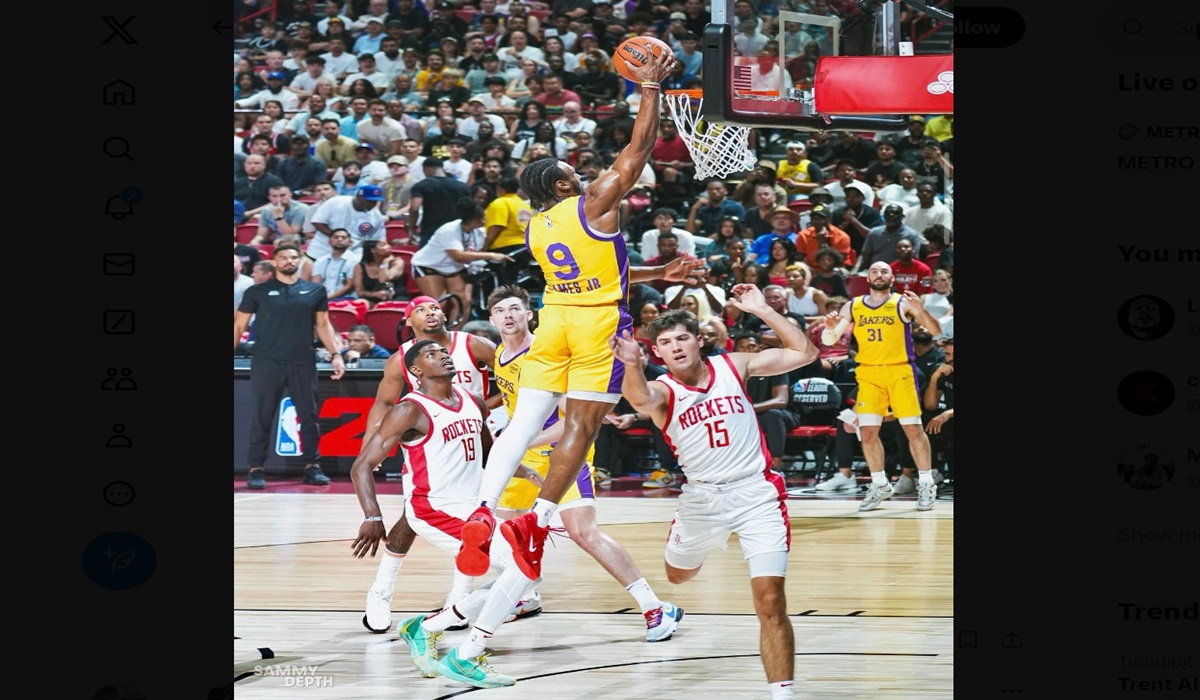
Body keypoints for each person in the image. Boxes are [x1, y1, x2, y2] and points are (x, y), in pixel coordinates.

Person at [451, 49, 708, 582]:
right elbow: (638, 150)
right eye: (575, 172)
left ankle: (482, 508)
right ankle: (539, 520)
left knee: (523, 424)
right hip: (597, 325)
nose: (585, 173)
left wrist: (658, 274)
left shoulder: (536, 227)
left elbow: (593, 269)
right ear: (565, 186)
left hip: (556, 319)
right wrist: (650, 86)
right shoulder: (592, 201)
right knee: (580, 426)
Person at [610, 284, 819, 700]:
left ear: (699, 340)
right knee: (677, 576)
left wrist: (762, 310)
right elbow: (640, 399)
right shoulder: (664, 390)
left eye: (682, 337)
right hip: (702, 501)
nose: (675, 347)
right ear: (657, 353)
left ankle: (783, 694)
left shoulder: (733, 365)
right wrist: (631, 364)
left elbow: (805, 352)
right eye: (665, 343)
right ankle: (697, 547)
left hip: (757, 494)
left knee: (770, 601)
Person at [486, 286, 683, 640]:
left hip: (562, 452)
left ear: (530, 315)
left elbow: (571, 421)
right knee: (500, 528)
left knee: (582, 532)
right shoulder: (501, 353)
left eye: (515, 308)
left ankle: (654, 606)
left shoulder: (545, 355)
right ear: (491, 319)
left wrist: (518, 441)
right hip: (523, 455)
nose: (508, 315)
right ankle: (525, 595)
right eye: (501, 311)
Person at [349, 339, 534, 688]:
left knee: (529, 572)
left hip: (474, 507)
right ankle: (466, 653)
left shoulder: (472, 400)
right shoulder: (409, 410)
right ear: (416, 370)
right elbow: (361, 466)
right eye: (431, 355)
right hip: (434, 508)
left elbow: (488, 451)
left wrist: (524, 471)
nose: (443, 356)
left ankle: (429, 626)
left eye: (444, 352)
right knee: (522, 567)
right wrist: (372, 516)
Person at [357, 296, 499, 635]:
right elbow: (384, 403)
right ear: (409, 322)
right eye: (420, 309)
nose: (430, 313)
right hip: (433, 437)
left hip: (474, 424)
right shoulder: (403, 366)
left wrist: (486, 407)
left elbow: (514, 377)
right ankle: (383, 593)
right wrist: (368, 453)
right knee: (418, 518)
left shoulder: (473, 344)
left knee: (475, 523)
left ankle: (457, 600)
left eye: (434, 307)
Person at [820, 262, 942, 511]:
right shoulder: (853, 305)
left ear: (892, 278)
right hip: (868, 373)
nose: (879, 275)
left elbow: (936, 331)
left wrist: (921, 311)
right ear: (867, 278)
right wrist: (830, 330)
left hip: (900, 371)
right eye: (874, 271)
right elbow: (830, 340)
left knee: (912, 429)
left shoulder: (902, 302)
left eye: (884, 271)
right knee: (867, 432)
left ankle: (927, 483)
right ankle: (879, 484)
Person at [234, 244, 345, 490]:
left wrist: (336, 354)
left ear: (300, 260)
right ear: (275, 262)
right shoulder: (257, 291)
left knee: (309, 415)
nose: (288, 261)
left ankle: (312, 466)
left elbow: (323, 325)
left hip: (302, 361)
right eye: (283, 257)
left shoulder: (315, 290)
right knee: (262, 416)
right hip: (266, 361)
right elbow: (238, 325)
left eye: (293, 257)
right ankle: (256, 468)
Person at [410, 197, 513, 318]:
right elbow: (458, 256)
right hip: (429, 265)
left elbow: (477, 251)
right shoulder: (449, 230)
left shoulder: (478, 232)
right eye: (483, 218)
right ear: (474, 221)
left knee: (463, 302)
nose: (485, 220)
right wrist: (492, 255)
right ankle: (429, 330)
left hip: (453, 268)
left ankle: (455, 330)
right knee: (440, 304)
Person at [308, 228, 359, 300]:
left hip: (346, 298)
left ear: (350, 242)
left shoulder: (356, 260)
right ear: (329, 241)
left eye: (344, 238)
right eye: (336, 237)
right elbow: (316, 283)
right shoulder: (321, 260)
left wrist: (327, 298)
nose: (340, 240)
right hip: (323, 296)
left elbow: (348, 285)